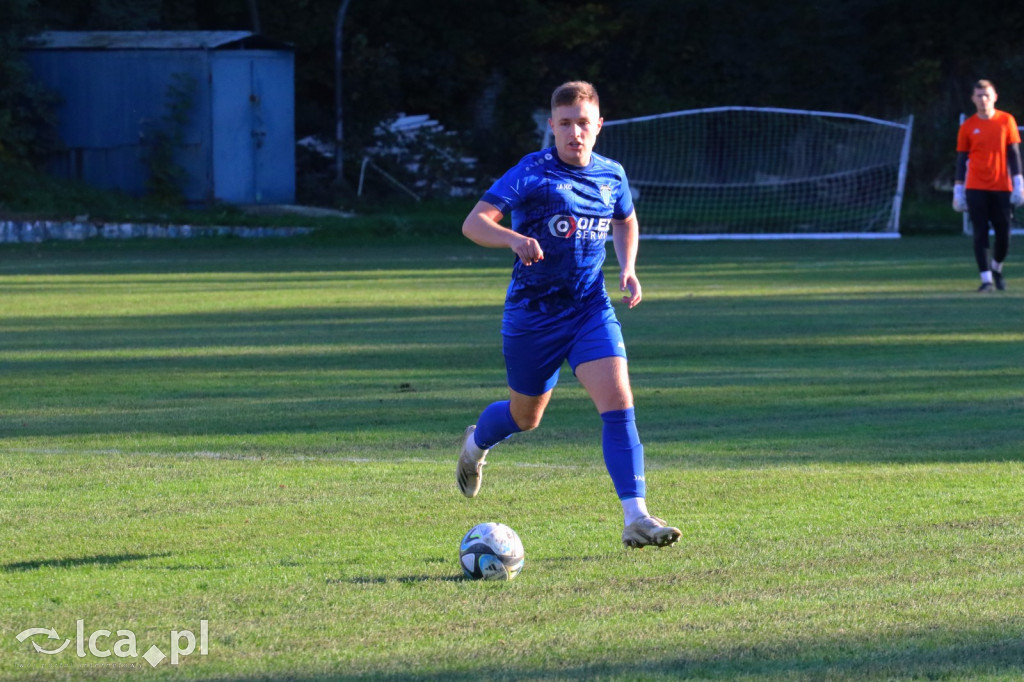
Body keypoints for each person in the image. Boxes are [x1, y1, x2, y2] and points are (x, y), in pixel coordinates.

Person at [455, 80, 681, 549]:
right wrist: (513, 239)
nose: (574, 133)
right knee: (525, 417)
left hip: (589, 310)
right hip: (532, 317)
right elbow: (474, 223)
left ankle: (636, 516)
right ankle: (477, 443)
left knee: (619, 407)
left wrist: (629, 268)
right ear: (551, 127)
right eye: (564, 124)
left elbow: (625, 218)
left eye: (582, 123)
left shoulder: (611, 174)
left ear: (599, 125)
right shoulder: (531, 172)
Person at [953, 79, 1024, 292]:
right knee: (980, 232)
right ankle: (986, 280)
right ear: (973, 99)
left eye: (987, 95)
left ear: (994, 97)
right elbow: (961, 159)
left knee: (1004, 235)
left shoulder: (1006, 121)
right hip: (976, 186)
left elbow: (1013, 153)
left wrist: (1019, 181)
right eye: (979, 96)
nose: (983, 100)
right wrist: (958, 188)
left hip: (1002, 186)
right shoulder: (968, 126)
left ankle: (996, 268)